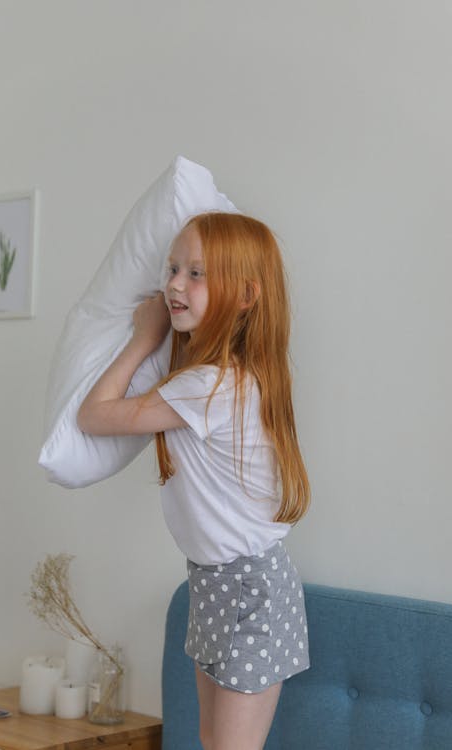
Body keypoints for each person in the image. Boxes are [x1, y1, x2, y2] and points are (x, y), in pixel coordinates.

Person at [77, 211, 311, 750]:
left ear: (247, 295)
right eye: (173, 267)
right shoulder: (218, 379)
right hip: (219, 584)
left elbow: (95, 415)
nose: (175, 283)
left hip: (248, 589)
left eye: (197, 273)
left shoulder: (209, 386)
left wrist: (143, 336)